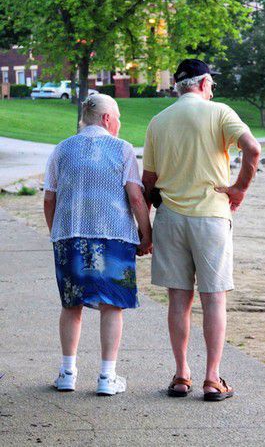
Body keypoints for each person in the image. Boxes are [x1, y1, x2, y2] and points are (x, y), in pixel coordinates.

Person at [142, 59, 261, 401]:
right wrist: (239, 188)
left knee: (178, 299)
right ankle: (212, 378)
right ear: (205, 82)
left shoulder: (158, 121)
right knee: (213, 299)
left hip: (170, 218)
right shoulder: (220, 113)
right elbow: (253, 149)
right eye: (213, 84)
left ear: (179, 86)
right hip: (210, 217)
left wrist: (145, 230)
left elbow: (148, 182)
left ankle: (182, 375)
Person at [43, 94, 152, 396]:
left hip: (70, 236)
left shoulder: (62, 149)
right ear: (107, 119)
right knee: (112, 306)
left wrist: (58, 234)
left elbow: (49, 198)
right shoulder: (122, 149)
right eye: (118, 118)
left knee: (71, 305)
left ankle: (67, 373)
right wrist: (146, 234)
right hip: (113, 237)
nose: (119, 124)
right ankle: (107, 377)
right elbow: (135, 197)